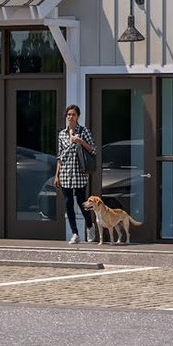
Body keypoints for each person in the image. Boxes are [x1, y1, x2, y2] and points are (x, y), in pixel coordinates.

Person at [55, 103, 99, 244]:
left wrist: (79, 141)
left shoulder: (83, 131)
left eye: (73, 114)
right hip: (66, 172)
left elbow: (93, 150)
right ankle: (75, 233)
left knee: (82, 202)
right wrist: (57, 174)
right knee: (68, 203)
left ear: (78, 116)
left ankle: (90, 225)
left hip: (79, 172)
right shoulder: (62, 134)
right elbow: (60, 156)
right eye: (68, 114)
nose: (70, 117)